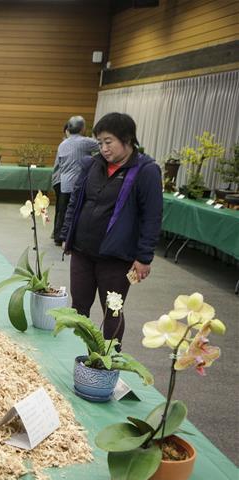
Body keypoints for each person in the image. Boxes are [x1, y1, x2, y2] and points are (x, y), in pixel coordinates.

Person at [61, 112, 162, 342]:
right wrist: (68, 233)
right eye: (100, 143)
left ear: (127, 140)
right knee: (79, 306)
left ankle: (109, 360)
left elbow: (152, 217)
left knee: (113, 310)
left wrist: (144, 257)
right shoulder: (92, 164)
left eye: (109, 142)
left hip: (116, 258)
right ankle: (82, 355)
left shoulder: (145, 171)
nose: (104, 149)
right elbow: (76, 200)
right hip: (83, 250)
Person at [52, 116, 97, 245]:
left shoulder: (62, 144)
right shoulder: (85, 142)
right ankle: (72, 237)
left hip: (64, 182)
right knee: (78, 211)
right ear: (83, 128)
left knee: (63, 211)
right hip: (79, 183)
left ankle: (59, 236)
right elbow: (103, 147)